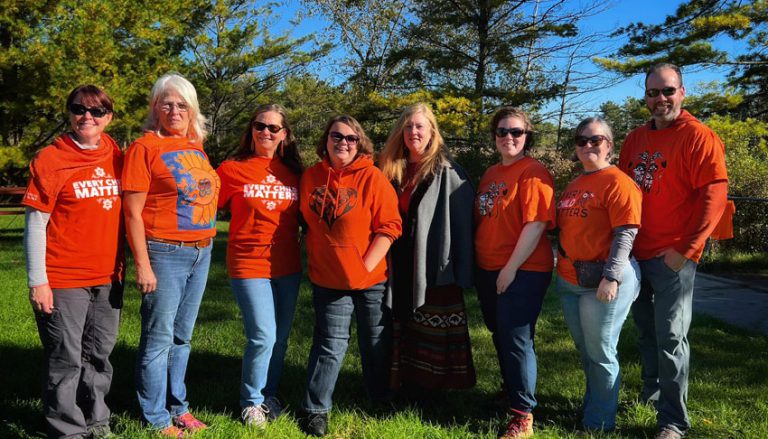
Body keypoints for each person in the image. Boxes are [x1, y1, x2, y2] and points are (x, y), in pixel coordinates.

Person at [619, 63, 728, 439]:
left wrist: (686, 249)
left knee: (670, 338)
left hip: (673, 258)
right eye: (653, 93)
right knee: (646, 332)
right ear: (645, 97)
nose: (660, 99)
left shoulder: (699, 137)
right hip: (636, 255)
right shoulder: (633, 139)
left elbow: (714, 196)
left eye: (668, 91)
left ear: (683, 92)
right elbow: (621, 192)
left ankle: (673, 421)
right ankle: (651, 395)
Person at [23, 85, 124, 439]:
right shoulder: (50, 159)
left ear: (109, 118)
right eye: (79, 109)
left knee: (99, 356)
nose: (88, 117)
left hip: (109, 277)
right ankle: (67, 430)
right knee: (65, 359)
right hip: (63, 277)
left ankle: (97, 421)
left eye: (97, 111)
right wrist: (39, 281)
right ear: (69, 113)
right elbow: (36, 224)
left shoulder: (116, 154)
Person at [123, 73, 220, 438]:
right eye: (167, 103)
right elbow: (132, 213)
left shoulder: (195, 145)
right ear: (155, 108)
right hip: (164, 252)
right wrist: (143, 265)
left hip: (202, 251)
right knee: (158, 336)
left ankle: (178, 406)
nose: (174, 110)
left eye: (182, 104)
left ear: (191, 109)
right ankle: (156, 416)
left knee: (183, 336)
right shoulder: (143, 148)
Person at [299, 115, 402, 437]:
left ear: (360, 144)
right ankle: (316, 409)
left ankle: (379, 395)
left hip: (370, 281)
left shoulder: (373, 178)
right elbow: (304, 220)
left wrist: (367, 265)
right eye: (336, 136)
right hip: (328, 280)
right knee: (330, 345)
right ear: (325, 140)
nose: (343, 143)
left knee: (374, 342)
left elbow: (390, 226)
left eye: (351, 138)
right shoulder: (311, 177)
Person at [378, 103, 475, 397]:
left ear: (432, 130)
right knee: (401, 321)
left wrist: (459, 268)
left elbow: (462, 225)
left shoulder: (448, 170)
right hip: (398, 259)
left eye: (420, 126)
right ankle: (401, 382)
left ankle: (433, 389)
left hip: (434, 263)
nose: (413, 132)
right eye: (408, 127)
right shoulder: (390, 167)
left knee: (432, 325)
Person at [216, 104, 302, 427]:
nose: (266, 132)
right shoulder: (231, 169)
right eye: (260, 126)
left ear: (284, 135)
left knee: (280, 337)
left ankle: (269, 394)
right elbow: (202, 203)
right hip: (248, 263)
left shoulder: (294, 173)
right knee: (263, 335)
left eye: (273, 128)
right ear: (251, 130)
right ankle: (250, 401)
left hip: (287, 265)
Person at [556, 117, 642, 432]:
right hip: (569, 278)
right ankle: (593, 405)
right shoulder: (576, 183)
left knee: (601, 351)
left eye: (596, 139)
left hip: (602, 280)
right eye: (582, 140)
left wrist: (612, 277)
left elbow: (625, 233)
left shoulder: (618, 182)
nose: (588, 145)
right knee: (587, 349)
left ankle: (599, 424)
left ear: (609, 144)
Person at [474, 107, 555, 439]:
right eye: (502, 132)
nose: (509, 137)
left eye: (516, 132)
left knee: (517, 339)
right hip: (488, 267)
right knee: (501, 334)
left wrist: (510, 269)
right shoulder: (491, 173)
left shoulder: (534, 172)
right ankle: (511, 390)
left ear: (527, 136)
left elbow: (536, 225)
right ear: (494, 136)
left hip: (522, 270)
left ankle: (523, 414)